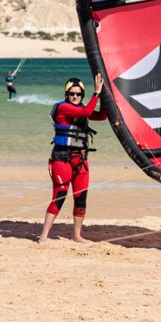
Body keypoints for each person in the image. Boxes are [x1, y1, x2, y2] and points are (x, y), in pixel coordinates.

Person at [38, 72, 105, 245]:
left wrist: (106, 96)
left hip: (81, 160)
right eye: (71, 93)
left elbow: (102, 116)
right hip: (62, 159)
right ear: (66, 95)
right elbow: (87, 111)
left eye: (78, 94)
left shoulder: (82, 108)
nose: (75, 96)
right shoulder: (63, 108)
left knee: (81, 198)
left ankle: (77, 235)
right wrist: (96, 93)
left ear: (82, 94)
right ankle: (43, 236)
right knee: (59, 196)